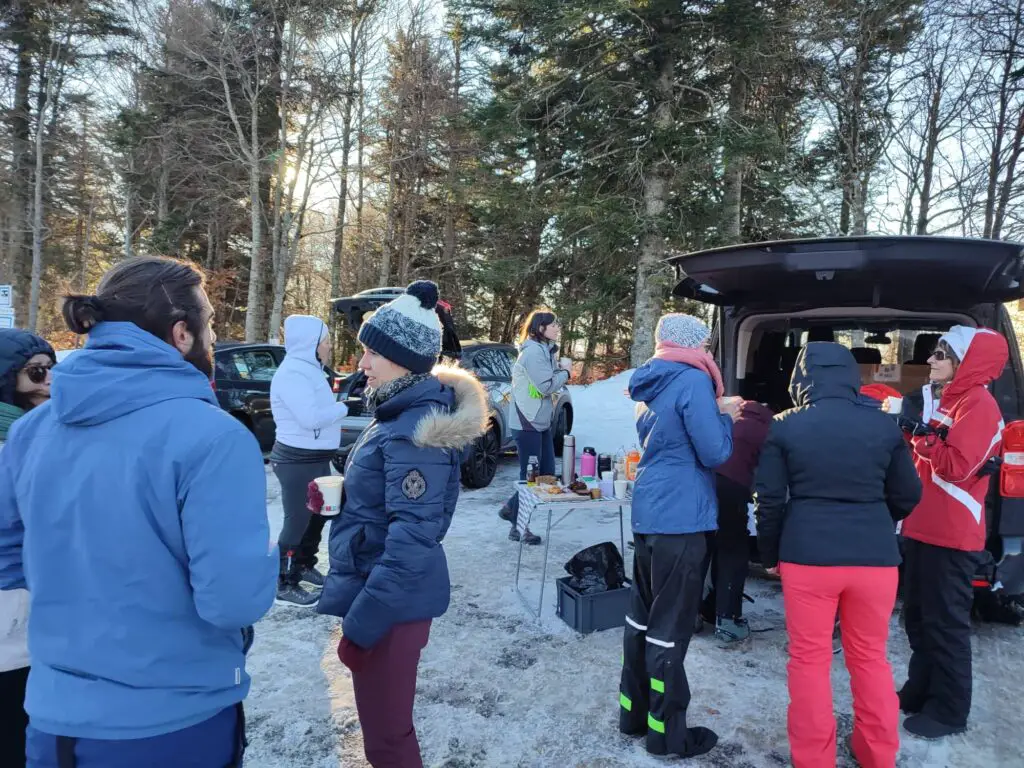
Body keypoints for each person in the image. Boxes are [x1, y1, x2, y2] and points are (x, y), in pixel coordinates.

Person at [0, 256, 278, 768]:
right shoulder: (214, 438)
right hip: (171, 723)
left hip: (50, 719)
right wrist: (272, 555)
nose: (214, 336)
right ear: (181, 334)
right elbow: (233, 602)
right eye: (210, 322)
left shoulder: (29, 432)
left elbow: (10, 559)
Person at [318, 281, 487, 768]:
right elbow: (388, 500)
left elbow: (414, 537)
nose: (362, 364)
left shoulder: (417, 430)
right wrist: (338, 496)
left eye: (371, 353)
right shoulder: (394, 412)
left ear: (405, 360)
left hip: (392, 602)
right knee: (381, 731)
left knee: (389, 739)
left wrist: (364, 620)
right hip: (381, 592)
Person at [754, 342, 922, 768]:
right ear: (851, 375)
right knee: (870, 659)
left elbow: (770, 500)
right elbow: (908, 494)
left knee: (809, 661)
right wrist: (876, 518)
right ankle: (878, 755)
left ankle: (814, 760)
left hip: (808, 557)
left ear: (800, 378)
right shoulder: (884, 427)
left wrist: (769, 554)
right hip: (875, 559)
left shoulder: (785, 425)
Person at [619, 313, 738, 759]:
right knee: (670, 630)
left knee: (641, 620)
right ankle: (668, 736)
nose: (708, 353)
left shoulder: (652, 381)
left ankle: (633, 715)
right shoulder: (692, 382)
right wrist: (724, 417)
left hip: (651, 512)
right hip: (683, 516)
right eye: (705, 345)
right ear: (690, 346)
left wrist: (713, 411)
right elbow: (715, 452)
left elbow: (668, 437)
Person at [897, 326, 1008, 740]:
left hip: (953, 534)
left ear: (965, 361)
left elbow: (955, 466)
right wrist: (918, 432)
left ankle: (949, 710)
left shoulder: (979, 404)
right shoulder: (950, 400)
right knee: (919, 618)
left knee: (945, 625)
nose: (931, 360)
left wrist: (920, 434)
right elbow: (930, 449)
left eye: (941, 354)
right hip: (924, 526)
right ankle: (919, 689)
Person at [0, 329, 55, 768]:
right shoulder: (16, 444)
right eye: (36, 373)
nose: (47, 383)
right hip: (11, 607)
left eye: (52, 371)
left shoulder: (35, 437)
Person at [270, 314, 348, 607]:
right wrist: (343, 408)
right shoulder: (293, 374)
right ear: (310, 344)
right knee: (298, 519)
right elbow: (310, 418)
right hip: (295, 460)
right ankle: (283, 581)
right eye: (326, 342)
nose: (329, 347)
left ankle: (303, 564)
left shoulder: (310, 370)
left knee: (317, 515)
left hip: (315, 457)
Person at [497, 309, 571, 545]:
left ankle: (511, 508)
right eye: (553, 325)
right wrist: (566, 372)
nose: (557, 328)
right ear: (540, 328)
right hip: (527, 421)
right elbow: (546, 386)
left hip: (539, 421)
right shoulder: (533, 353)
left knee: (546, 474)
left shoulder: (544, 351)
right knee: (530, 477)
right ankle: (519, 528)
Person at [706, 398, 773, 647]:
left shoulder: (729, 416)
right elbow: (768, 476)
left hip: (702, 483)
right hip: (732, 489)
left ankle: (693, 614)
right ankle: (728, 622)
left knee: (701, 550)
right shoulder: (769, 429)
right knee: (733, 553)